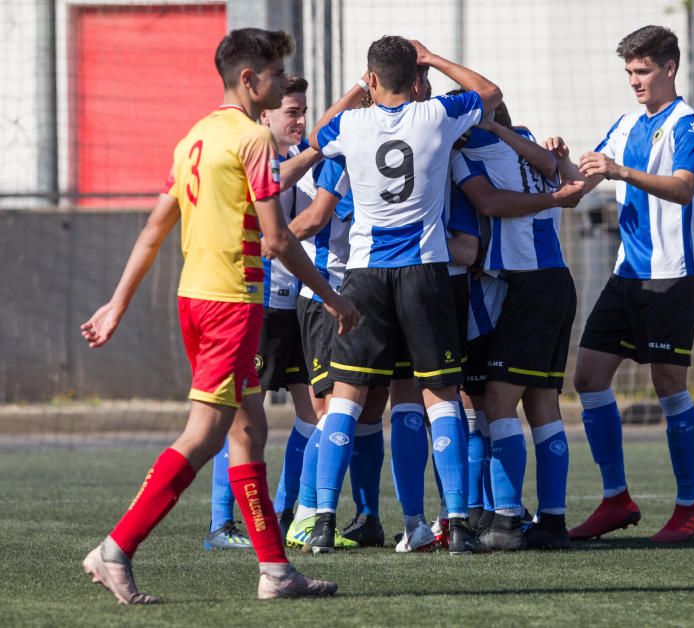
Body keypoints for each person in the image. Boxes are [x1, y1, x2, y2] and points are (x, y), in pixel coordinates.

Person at [79, 28, 358, 604]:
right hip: (232, 302)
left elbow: (156, 228)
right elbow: (278, 240)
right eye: (278, 74)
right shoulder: (252, 138)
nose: (283, 83)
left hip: (195, 299)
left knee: (248, 430)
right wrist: (333, 298)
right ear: (250, 80)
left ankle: (276, 572)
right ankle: (116, 549)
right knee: (204, 433)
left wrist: (117, 303)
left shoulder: (193, 138)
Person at [307, 35, 501, 555]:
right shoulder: (435, 114)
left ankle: (324, 519)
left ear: (372, 80)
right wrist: (434, 59)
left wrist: (357, 89)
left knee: (345, 396)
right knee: (440, 396)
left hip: (366, 276)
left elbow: (314, 135)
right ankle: (456, 522)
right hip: (424, 272)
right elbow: (489, 91)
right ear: (415, 79)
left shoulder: (350, 124)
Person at [564, 25, 694, 543]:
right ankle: (616, 499)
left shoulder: (688, 125)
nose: (635, 81)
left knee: (669, 387)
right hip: (628, 274)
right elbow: (581, 178)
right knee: (588, 378)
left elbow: (682, 188)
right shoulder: (626, 124)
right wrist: (544, 153)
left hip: (671, 276)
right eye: (629, 71)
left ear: (669, 67)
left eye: (643, 70)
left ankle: (689, 507)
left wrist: (620, 172)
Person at [452, 103, 582, 550]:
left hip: (528, 288)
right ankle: (552, 521)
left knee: (498, 400)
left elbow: (488, 202)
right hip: (557, 282)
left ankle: (505, 521)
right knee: (542, 404)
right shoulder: (529, 145)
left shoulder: (466, 152)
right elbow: (565, 175)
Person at [203, 75, 321, 551]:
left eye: (304, 111)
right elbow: (276, 235)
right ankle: (221, 524)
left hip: (296, 307)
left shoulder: (295, 161)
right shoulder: (254, 160)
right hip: (257, 305)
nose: (301, 120)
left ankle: (285, 512)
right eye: (292, 111)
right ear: (265, 114)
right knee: (236, 417)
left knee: (312, 412)